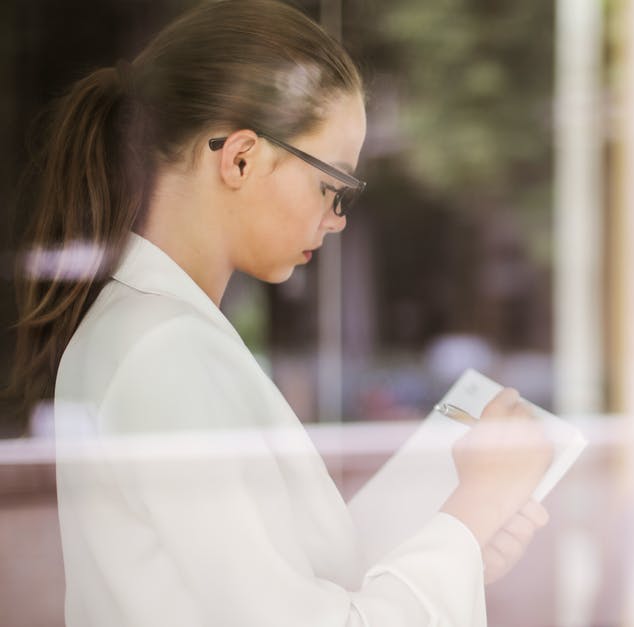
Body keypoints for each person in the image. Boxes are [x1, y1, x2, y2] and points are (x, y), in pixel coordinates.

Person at [7, 1, 554, 625]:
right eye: (332, 184)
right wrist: (477, 504)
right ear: (240, 158)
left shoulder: (151, 329)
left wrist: (458, 548)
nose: (337, 219)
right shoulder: (164, 349)